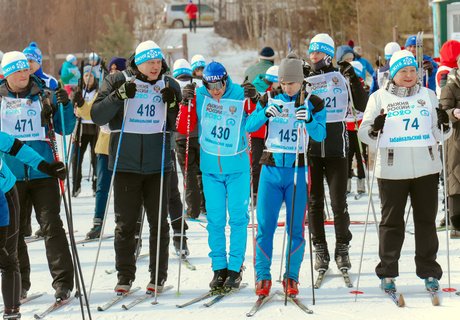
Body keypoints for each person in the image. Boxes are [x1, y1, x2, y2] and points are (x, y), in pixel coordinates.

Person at [91, 40, 181, 293]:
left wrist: (173, 103)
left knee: (159, 223)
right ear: (138, 62)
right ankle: (125, 276)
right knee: (125, 225)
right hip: (125, 164)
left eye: (158, 62)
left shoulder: (169, 83)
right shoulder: (118, 80)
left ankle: (158, 277)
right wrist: (118, 97)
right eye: (149, 62)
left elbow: (176, 125)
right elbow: (97, 115)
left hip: (158, 166)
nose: (155, 67)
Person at [358, 49, 450, 292]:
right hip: (391, 170)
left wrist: (444, 123)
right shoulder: (379, 98)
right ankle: (387, 272)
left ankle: (429, 271)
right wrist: (375, 129)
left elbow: (440, 134)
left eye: (412, 71)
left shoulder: (429, 95)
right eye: (403, 71)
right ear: (393, 73)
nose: (409, 75)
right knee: (391, 223)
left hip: (426, 168)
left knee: (426, 222)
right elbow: (364, 132)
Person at [246, 53, 326, 297]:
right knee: (265, 227)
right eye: (284, 82)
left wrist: (310, 119)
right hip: (270, 169)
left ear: (301, 81)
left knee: (295, 228)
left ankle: (291, 276)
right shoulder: (268, 96)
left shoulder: (314, 101)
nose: (287, 87)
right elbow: (249, 127)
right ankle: (262, 276)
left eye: (292, 82)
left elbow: (321, 135)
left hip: (298, 171)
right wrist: (264, 114)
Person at [1, 51, 75, 301]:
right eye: (18, 71)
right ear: (7, 74)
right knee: (15, 231)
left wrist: (65, 106)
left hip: (43, 172)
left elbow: (66, 128)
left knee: (52, 225)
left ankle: (63, 282)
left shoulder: (44, 95)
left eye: (26, 69)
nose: (24, 74)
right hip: (11, 176)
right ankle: (20, 282)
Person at [176, 61, 250, 292]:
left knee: (238, 219)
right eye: (210, 85)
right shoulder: (199, 95)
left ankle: (235, 268)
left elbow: (255, 123)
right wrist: (185, 103)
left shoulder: (238, 93)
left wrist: (254, 100)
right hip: (211, 170)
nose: (216, 90)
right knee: (216, 221)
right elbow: (184, 128)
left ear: (226, 80)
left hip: (237, 167)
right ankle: (219, 268)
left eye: (219, 84)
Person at [304, 33, 368, 278]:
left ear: (328, 55)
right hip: (311, 149)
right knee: (314, 202)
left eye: (318, 53)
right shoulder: (306, 77)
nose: (313, 57)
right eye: (311, 52)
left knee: (338, 203)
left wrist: (353, 79)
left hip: (337, 150)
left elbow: (361, 105)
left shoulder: (340, 76)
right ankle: (320, 247)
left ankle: (343, 246)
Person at [0, 131, 67, 319]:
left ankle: (12, 313)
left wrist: (46, 167)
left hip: (4, 196)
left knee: (6, 256)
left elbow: (19, 149)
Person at [85, 57, 127, 239]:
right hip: (104, 147)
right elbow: (89, 112)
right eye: (111, 69)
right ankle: (97, 223)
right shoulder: (105, 88)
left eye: (118, 69)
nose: (113, 72)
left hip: (124, 146)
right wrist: (79, 104)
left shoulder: (130, 89)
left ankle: (124, 224)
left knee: (123, 188)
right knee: (102, 187)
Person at [173, 59, 206, 221]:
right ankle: (204, 205)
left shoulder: (172, 85)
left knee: (189, 173)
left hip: (182, 136)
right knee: (202, 171)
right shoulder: (199, 85)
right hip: (200, 135)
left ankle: (193, 209)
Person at [246, 66, 279, 203]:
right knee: (257, 164)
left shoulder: (276, 93)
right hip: (258, 133)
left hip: (269, 134)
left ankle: (267, 192)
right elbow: (254, 111)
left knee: (267, 164)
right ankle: (255, 193)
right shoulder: (262, 92)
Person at [439, 56, 460, 238]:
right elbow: (443, 112)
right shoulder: (450, 87)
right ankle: (456, 222)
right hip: (455, 139)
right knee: (455, 176)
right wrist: (453, 112)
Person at [71, 66, 98, 197]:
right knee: (76, 158)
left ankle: (96, 186)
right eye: (86, 75)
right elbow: (71, 109)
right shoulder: (78, 90)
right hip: (80, 129)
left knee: (96, 159)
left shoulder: (99, 91)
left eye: (91, 76)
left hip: (94, 129)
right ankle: (76, 186)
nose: (88, 78)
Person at [345, 61, 368, 195]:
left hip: (359, 126)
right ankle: (347, 184)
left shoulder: (362, 85)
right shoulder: (343, 84)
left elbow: (363, 100)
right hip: (347, 126)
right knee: (347, 157)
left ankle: (361, 183)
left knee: (361, 156)